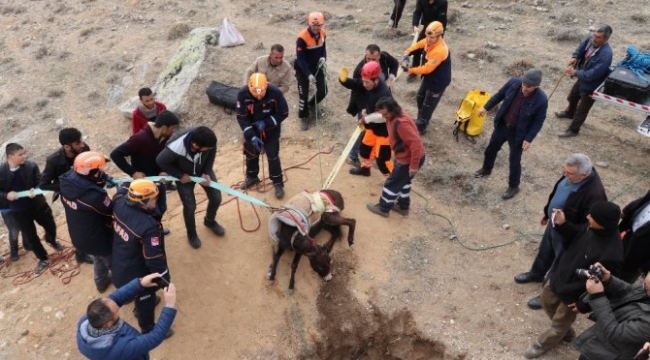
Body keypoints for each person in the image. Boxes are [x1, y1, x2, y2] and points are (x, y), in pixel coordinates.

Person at [523, 200, 624, 359]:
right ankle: (566, 332)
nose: (588, 216)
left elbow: (606, 286)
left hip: (573, 296)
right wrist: (563, 224)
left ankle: (542, 345)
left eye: (593, 216)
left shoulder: (612, 253)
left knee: (558, 325)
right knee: (546, 301)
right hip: (559, 277)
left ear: (603, 223)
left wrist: (583, 304)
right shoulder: (591, 227)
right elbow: (576, 234)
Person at [514, 154, 607, 310]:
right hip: (554, 224)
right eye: (564, 171)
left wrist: (564, 225)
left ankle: (546, 295)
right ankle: (536, 274)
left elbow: (587, 227)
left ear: (583, 175)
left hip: (568, 236)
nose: (565, 175)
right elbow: (557, 194)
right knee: (544, 252)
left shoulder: (594, 194)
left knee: (559, 265)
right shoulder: (572, 175)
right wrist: (547, 212)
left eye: (569, 173)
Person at [473, 69, 548, 200]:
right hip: (503, 125)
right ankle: (486, 169)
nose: (524, 88)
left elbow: (538, 121)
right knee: (491, 149)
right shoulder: (514, 83)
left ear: (537, 86)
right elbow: (499, 95)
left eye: (528, 87)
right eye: (523, 84)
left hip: (518, 133)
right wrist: (486, 107)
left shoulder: (541, 100)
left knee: (514, 160)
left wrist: (529, 139)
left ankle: (514, 186)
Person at [111, 179, 172, 336]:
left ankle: (140, 303)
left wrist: (151, 184)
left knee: (143, 297)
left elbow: (124, 186)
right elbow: (154, 258)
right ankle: (148, 328)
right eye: (154, 199)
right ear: (143, 202)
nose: (156, 201)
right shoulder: (148, 226)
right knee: (146, 297)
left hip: (118, 261)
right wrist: (164, 278)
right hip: (135, 273)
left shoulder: (119, 202)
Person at [77, 272, 177, 360]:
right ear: (108, 323)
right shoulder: (122, 348)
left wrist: (140, 283)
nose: (117, 305)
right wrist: (169, 306)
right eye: (117, 310)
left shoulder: (86, 321)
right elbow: (155, 337)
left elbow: (115, 298)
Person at [156, 126, 224, 249]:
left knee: (216, 198)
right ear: (195, 146)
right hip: (184, 177)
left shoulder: (208, 141)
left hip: (202, 171)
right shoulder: (176, 147)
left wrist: (207, 172)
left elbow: (211, 152)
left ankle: (209, 221)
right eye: (206, 148)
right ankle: (191, 234)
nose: (208, 149)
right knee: (190, 206)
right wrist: (179, 175)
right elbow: (161, 161)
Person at [110, 110, 179, 230]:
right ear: (163, 127)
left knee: (160, 208)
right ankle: (146, 234)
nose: (173, 131)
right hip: (143, 186)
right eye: (172, 128)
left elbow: (165, 156)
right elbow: (116, 154)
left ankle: (156, 229)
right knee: (145, 212)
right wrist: (133, 172)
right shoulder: (140, 138)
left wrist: (164, 170)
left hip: (158, 181)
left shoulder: (163, 137)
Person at [0, 143, 62, 274]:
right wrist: (6, 195)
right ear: (10, 156)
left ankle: (51, 240)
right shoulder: (1, 171)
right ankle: (43, 258)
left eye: (24, 153)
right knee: (30, 236)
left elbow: (40, 181)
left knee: (50, 225)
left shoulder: (31, 166)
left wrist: (36, 188)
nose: (24, 156)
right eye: (20, 154)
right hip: (19, 210)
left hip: (38, 204)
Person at [59, 151, 114, 293]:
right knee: (116, 263)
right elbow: (111, 210)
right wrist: (122, 193)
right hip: (98, 237)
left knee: (98, 257)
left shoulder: (67, 183)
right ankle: (126, 291)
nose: (102, 171)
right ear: (91, 172)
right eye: (99, 169)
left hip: (80, 236)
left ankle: (101, 282)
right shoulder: (94, 195)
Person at [572, 263, 650, 360]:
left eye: (647, 288)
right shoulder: (647, 290)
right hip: (599, 343)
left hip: (605, 355)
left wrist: (598, 296)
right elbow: (629, 291)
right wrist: (609, 280)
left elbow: (614, 334)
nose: (644, 287)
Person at [39, 127, 93, 264]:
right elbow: (43, 184)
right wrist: (67, 186)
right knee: (77, 225)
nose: (82, 145)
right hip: (69, 196)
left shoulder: (84, 149)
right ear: (67, 146)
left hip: (87, 191)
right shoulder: (53, 160)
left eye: (81, 141)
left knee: (92, 218)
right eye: (77, 143)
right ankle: (80, 253)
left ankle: (94, 244)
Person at [366, 97, 425, 217]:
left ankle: (383, 208)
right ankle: (403, 207)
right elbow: (380, 117)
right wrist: (365, 119)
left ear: (392, 110)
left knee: (391, 184)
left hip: (408, 160)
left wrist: (413, 166)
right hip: (406, 157)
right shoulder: (394, 114)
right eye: (382, 114)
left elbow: (416, 144)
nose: (384, 117)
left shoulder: (401, 123)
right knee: (404, 182)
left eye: (385, 114)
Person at [236, 73, 289, 199]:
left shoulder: (275, 93)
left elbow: (284, 112)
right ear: (250, 88)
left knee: (272, 156)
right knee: (251, 154)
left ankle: (277, 183)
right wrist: (251, 136)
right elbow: (242, 117)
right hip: (252, 130)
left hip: (271, 131)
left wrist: (267, 122)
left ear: (266, 86)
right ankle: (252, 177)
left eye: (262, 92)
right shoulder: (242, 94)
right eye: (255, 93)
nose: (259, 96)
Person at [346, 44, 399, 167]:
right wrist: (364, 110)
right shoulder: (360, 69)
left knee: (378, 129)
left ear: (379, 56)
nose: (369, 61)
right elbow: (357, 91)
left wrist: (390, 79)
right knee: (363, 130)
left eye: (373, 59)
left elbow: (395, 64)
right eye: (367, 58)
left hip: (381, 100)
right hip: (365, 103)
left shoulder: (385, 58)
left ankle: (372, 157)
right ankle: (354, 155)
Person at [557, 25, 613, 138]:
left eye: (598, 37)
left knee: (582, 109)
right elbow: (581, 47)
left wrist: (575, 73)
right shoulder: (591, 39)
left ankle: (573, 130)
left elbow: (593, 74)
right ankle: (569, 113)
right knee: (572, 97)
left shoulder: (606, 55)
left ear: (605, 39)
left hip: (593, 84)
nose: (594, 39)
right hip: (583, 76)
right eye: (594, 35)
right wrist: (575, 56)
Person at [339, 62, 393, 177]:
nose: (364, 84)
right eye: (363, 81)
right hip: (372, 128)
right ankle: (365, 169)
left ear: (376, 80)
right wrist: (343, 80)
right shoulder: (368, 84)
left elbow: (384, 116)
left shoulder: (384, 93)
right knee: (365, 150)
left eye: (367, 82)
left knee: (383, 160)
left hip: (384, 133)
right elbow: (356, 84)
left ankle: (393, 183)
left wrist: (366, 119)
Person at [402, 21, 452, 135]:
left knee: (428, 105)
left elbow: (426, 69)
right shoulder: (430, 41)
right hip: (429, 78)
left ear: (439, 36)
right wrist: (407, 53)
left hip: (438, 82)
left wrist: (409, 70)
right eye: (427, 37)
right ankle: (421, 119)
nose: (428, 39)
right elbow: (418, 45)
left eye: (432, 37)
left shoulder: (439, 50)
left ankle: (421, 126)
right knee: (420, 97)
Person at [295, 11, 328, 131]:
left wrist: (323, 58)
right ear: (309, 24)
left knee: (323, 90)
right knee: (303, 95)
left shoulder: (323, 33)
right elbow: (300, 59)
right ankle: (304, 116)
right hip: (303, 69)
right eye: (314, 25)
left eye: (319, 25)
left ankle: (311, 104)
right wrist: (308, 74)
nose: (316, 27)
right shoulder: (302, 38)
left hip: (317, 66)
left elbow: (323, 48)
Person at [408, 0, 448, 82]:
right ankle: (414, 71)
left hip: (436, 30)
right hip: (425, 28)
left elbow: (441, 21)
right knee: (417, 49)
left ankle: (430, 73)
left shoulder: (442, 2)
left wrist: (435, 35)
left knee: (431, 53)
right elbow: (417, 12)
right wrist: (415, 25)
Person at [617, 189, 650, 283]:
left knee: (621, 279)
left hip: (639, 254)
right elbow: (643, 200)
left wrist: (645, 266)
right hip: (627, 234)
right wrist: (627, 211)